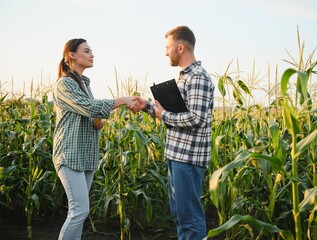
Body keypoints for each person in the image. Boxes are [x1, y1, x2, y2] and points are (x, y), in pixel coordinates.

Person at [53, 38, 139, 240]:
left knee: (79, 213)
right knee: (79, 211)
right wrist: (124, 100)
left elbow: (87, 114)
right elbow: (89, 107)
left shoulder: (84, 84)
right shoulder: (64, 84)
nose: (92, 54)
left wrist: (95, 123)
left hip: (85, 155)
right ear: (71, 55)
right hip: (70, 154)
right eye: (87, 50)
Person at [135, 26, 214, 240]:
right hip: (177, 155)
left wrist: (162, 116)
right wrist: (147, 106)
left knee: (189, 219)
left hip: (188, 158)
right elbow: (172, 112)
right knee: (181, 216)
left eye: (168, 47)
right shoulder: (184, 77)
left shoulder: (197, 77)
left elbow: (196, 118)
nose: (165, 52)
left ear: (180, 47)